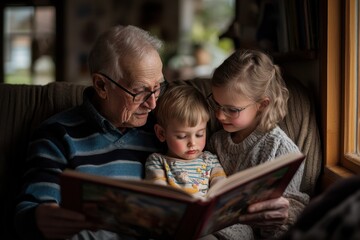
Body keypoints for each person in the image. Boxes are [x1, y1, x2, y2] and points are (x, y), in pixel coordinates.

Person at [14, 25, 167, 240]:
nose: (152, 104)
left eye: (158, 88)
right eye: (140, 91)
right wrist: (41, 217)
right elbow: (30, 210)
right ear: (101, 85)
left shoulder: (163, 130)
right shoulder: (58, 135)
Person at [206, 49, 309, 239]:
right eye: (217, 104)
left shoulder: (281, 150)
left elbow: (291, 210)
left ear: (262, 104)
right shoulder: (216, 141)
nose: (219, 115)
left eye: (232, 109)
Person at [145, 83, 226, 198]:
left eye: (199, 134)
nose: (192, 143)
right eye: (182, 136)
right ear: (161, 133)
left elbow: (221, 187)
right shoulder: (157, 162)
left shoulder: (210, 160)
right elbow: (159, 193)